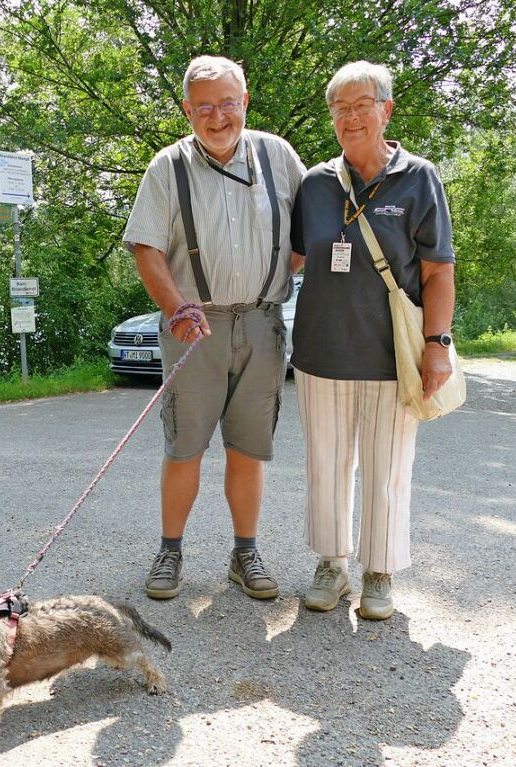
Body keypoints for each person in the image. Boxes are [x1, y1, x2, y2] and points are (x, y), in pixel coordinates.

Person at [123, 55, 305, 600]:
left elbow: (308, 232)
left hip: (262, 322)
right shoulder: (166, 167)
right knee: (185, 448)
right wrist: (178, 306)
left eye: (228, 103)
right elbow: (148, 250)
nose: (218, 116)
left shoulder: (278, 156)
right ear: (187, 110)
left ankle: (244, 553)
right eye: (205, 107)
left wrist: (269, 282)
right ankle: (169, 552)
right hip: (191, 328)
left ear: (244, 102)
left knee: (249, 449)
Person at [289, 61, 457, 620]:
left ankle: (378, 573)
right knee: (326, 466)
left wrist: (437, 344)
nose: (351, 116)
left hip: (392, 359)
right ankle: (332, 566)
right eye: (341, 108)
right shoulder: (314, 184)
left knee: (386, 470)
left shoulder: (418, 178)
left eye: (363, 105)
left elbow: (438, 272)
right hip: (319, 355)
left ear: (386, 110)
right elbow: (288, 260)